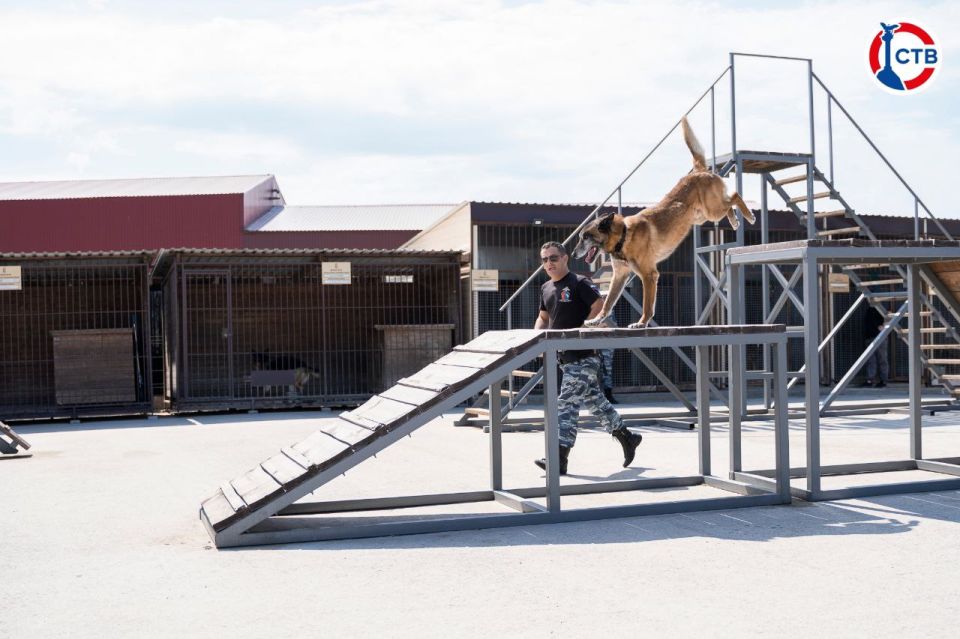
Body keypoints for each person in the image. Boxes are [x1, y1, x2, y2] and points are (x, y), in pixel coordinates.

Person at [533, 241, 642, 475]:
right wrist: (537, 339)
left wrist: (581, 331)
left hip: (584, 356)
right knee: (596, 403)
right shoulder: (546, 288)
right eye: (544, 260)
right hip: (565, 357)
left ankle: (559, 458)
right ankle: (627, 436)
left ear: (564, 258)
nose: (548, 263)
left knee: (567, 403)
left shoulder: (579, 283)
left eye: (553, 258)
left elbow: (599, 307)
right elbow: (543, 317)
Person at [860, 306, 888, 388]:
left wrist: (884, 326)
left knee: (882, 359)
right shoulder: (869, 309)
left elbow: (889, 315)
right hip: (870, 337)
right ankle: (870, 380)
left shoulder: (881, 308)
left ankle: (883, 380)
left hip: (879, 337)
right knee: (871, 360)